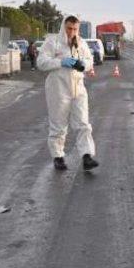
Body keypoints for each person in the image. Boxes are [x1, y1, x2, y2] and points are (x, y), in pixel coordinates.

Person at [37, 16, 98, 171]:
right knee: (58, 124)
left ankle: (87, 156)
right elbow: (41, 62)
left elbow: (89, 59)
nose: (72, 32)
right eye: (69, 28)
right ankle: (58, 157)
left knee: (83, 123)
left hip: (78, 87)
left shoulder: (81, 43)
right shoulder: (53, 42)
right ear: (64, 26)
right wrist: (60, 62)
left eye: (75, 29)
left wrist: (84, 64)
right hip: (58, 88)